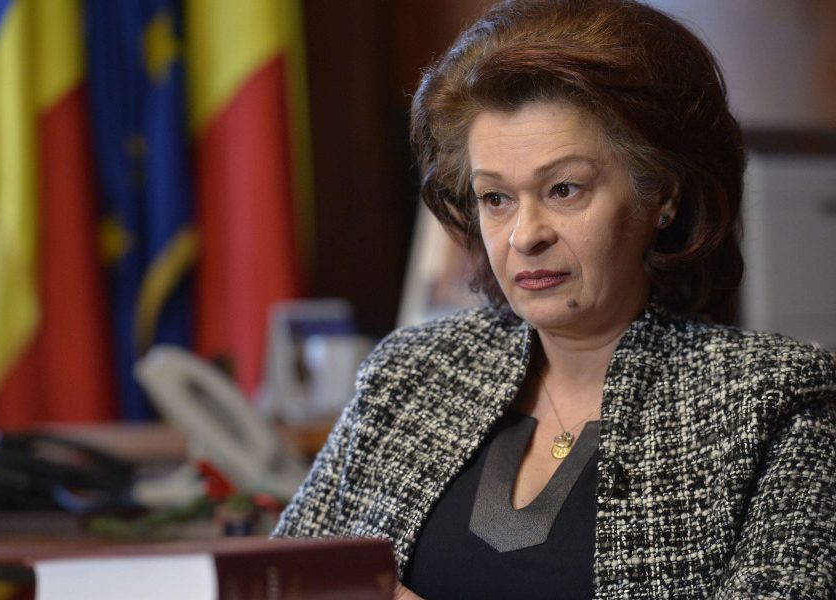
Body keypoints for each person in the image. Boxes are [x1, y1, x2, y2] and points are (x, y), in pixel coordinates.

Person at [272, 0, 836, 597]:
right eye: (496, 198)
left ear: (662, 194)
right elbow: (275, 582)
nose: (525, 235)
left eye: (564, 189)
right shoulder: (409, 373)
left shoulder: (773, 402)